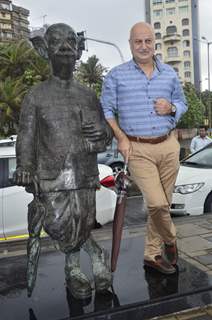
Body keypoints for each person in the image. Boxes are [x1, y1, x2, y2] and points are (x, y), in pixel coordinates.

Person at [13, 23, 112, 299]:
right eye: (58, 42)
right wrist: (24, 167)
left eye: (71, 42)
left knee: (83, 220)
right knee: (57, 225)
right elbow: (26, 136)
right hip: (50, 175)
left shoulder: (88, 95)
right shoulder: (36, 95)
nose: (66, 48)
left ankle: (73, 270)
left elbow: (104, 134)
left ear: (79, 51)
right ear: (45, 50)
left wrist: (103, 133)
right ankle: (94, 253)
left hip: (83, 171)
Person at [101, 22, 187, 275]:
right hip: (137, 148)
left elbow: (182, 103)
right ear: (130, 44)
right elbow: (106, 109)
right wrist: (120, 137)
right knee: (157, 204)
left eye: (148, 41)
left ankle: (152, 254)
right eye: (138, 41)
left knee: (163, 203)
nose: (143, 46)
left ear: (154, 43)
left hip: (169, 146)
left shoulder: (169, 74)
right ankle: (171, 240)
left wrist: (171, 108)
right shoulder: (116, 75)